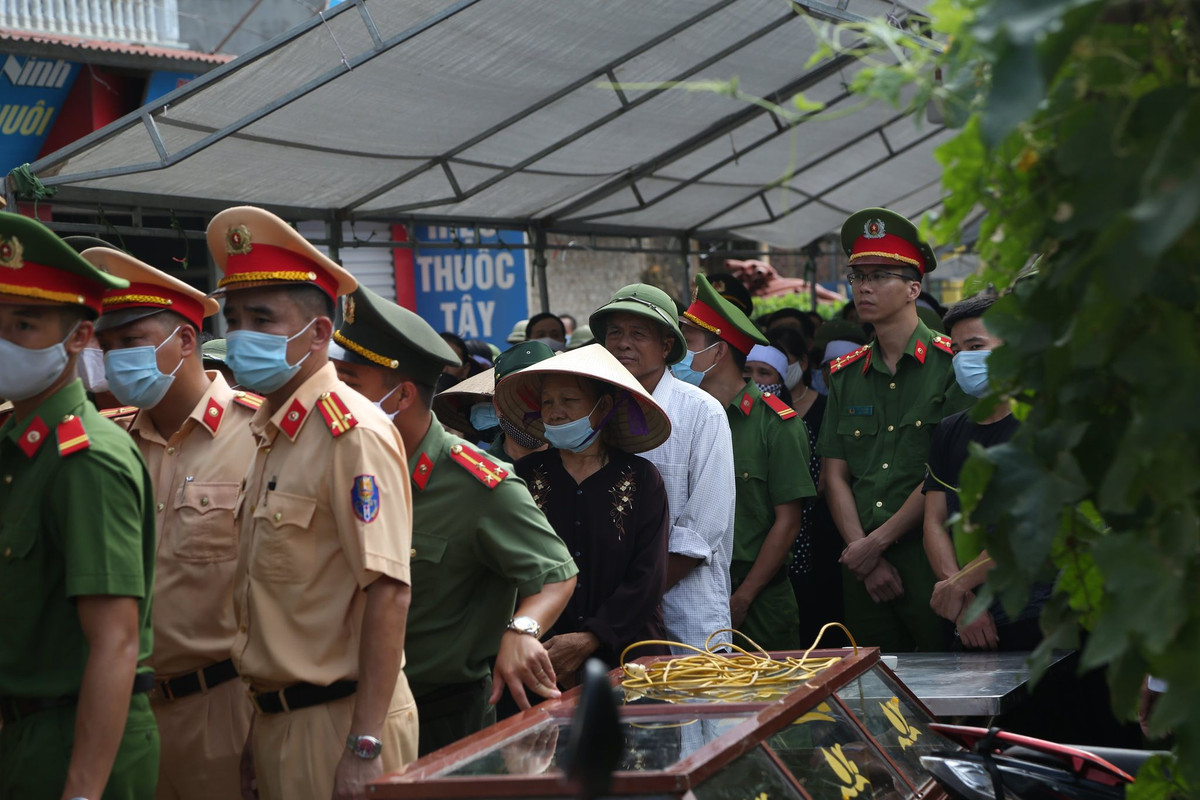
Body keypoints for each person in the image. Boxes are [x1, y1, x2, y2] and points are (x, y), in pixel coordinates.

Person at [207, 205, 418, 800]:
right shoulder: (273, 431)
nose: (242, 332)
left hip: (344, 721)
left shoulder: (352, 433)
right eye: (236, 316)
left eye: (263, 318)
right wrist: (260, 725)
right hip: (281, 720)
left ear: (320, 333)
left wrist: (365, 744)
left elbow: (389, 592)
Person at [330, 287, 578, 755]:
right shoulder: (338, 461)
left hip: (440, 717)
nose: (336, 397)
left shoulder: (477, 484)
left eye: (351, 385)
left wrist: (520, 631)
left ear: (401, 395)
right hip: (339, 703)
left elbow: (556, 574)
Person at [86, 247, 259, 800]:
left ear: (185, 341)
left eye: (131, 343)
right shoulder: (105, 446)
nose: (115, 362)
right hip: (125, 710)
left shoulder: (259, 436)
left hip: (227, 708)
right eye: (107, 346)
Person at [0, 214, 159, 799]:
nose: (4, 339)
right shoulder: (16, 449)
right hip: (26, 734)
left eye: (24, 323)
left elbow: (115, 641)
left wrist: (84, 792)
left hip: (79, 742)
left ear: (78, 338)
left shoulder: (86, 460)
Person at [816, 208, 972, 653]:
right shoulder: (846, 375)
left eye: (880, 275)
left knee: (945, 688)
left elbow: (944, 475)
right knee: (874, 698)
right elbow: (835, 475)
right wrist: (863, 556)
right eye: (857, 275)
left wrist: (876, 544)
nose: (863, 287)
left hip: (931, 558)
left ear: (913, 288)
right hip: (863, 565)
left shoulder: (950, 366)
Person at [495, 344, 673, 677]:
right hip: (540, 656)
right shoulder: (525, 475)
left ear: (603, 405)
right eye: (547, 402)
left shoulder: (642, 479)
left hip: (627, 657)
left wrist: (592, 636)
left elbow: (648, 576)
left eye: (569, 400)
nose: (555, 412)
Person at [590, 284, 736, 654]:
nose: (623, 344)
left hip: (687, 614)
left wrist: (634, 597)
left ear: (667, 346)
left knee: (697, 708)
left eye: (638, 334)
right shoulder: (595, 412)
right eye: (615, 333)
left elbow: (702, 530)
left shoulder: (701, 412)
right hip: (610, 618)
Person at [678, 276, 815, 651]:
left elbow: (787, 521)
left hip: (758, 598)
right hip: (686, 590)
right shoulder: (677, 417)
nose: (676, 352)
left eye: (686, 343)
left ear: (719, 353)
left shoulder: (776, 424)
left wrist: (743, 596)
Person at [922, 293, 1050, 651]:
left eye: (976, 346)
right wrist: (963, 602)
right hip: (966, 617)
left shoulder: (1042, 427)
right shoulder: (950, 430)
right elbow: (934, 520)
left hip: (1041, 615)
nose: (965, 359)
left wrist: (958, 587)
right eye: (958, 350)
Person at [434, 342, 556, 465]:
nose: (533, 407)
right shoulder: (478, 471)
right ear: (498, 405)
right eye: (521, 397)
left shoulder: (573, 465)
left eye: (544, 398)